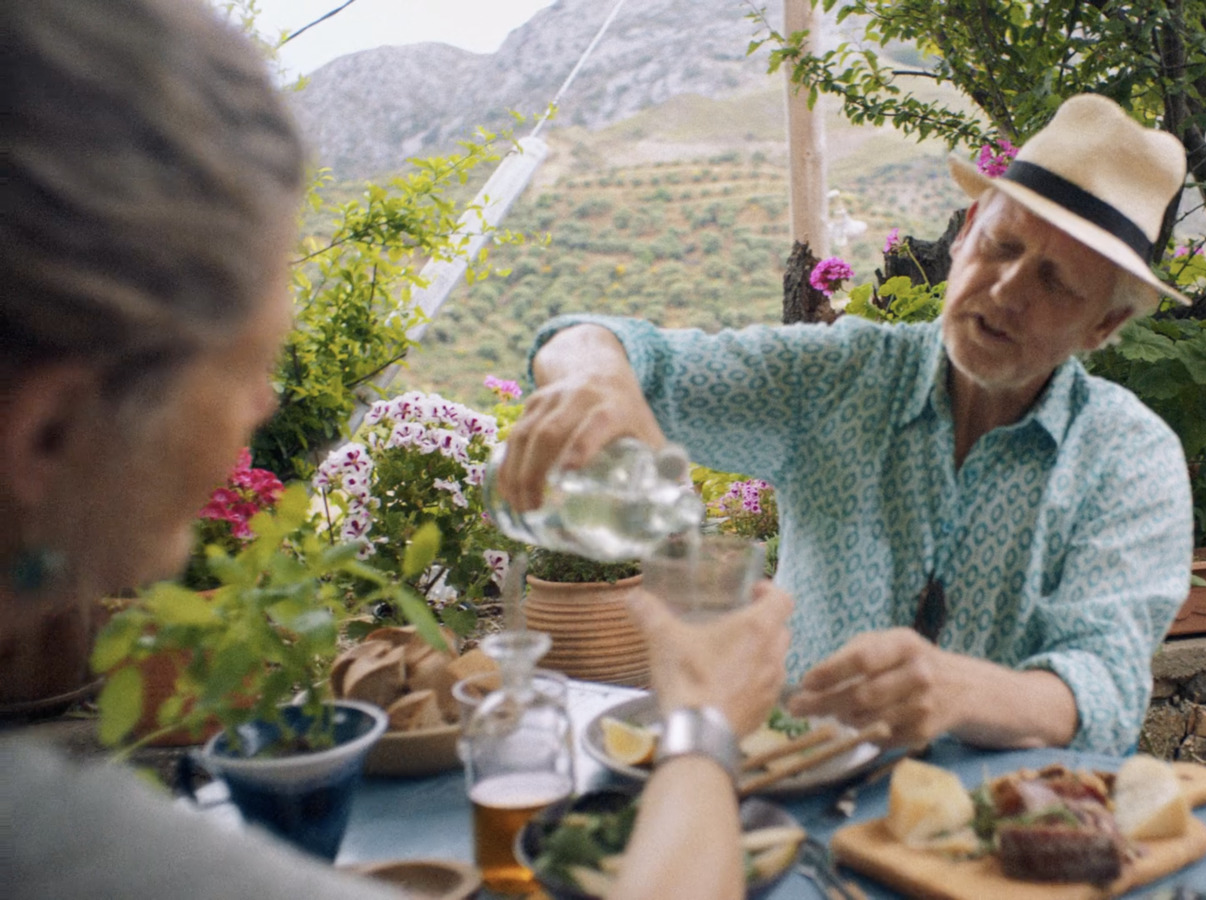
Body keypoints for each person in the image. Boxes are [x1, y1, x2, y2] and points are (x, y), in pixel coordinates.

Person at [0, 1, 790, 897]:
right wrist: (702, 730)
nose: (263, 405)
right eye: (247, 365)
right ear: (52, 430)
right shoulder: (48, 839)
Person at [499, 94, 1196, 756]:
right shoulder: (838, 377)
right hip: (798, 791)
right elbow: (610, 346)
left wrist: (957, 691)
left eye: (1055, 282)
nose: (1007, 290)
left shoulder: (1129, 457)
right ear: (966, 232)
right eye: (1003, 246)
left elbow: (1105, 691)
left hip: (998, 833)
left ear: (1104, 324)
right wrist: (593, 379)